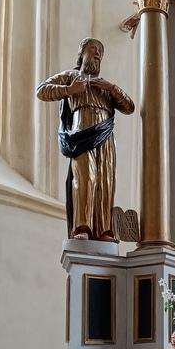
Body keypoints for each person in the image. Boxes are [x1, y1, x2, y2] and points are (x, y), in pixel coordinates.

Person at [37, 38, 135, 241]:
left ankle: (104, 230)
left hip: (105, 135)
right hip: (81, 132)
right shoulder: (72, 76)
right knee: (85, 178)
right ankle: (82, 227)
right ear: (82, 53)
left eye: (100, 51)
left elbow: (129, 107)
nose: (97, 53)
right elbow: (42, 90)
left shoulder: (105, 87)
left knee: (105, 180)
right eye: (93, 48)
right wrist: (69, 90)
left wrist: (112, 88)